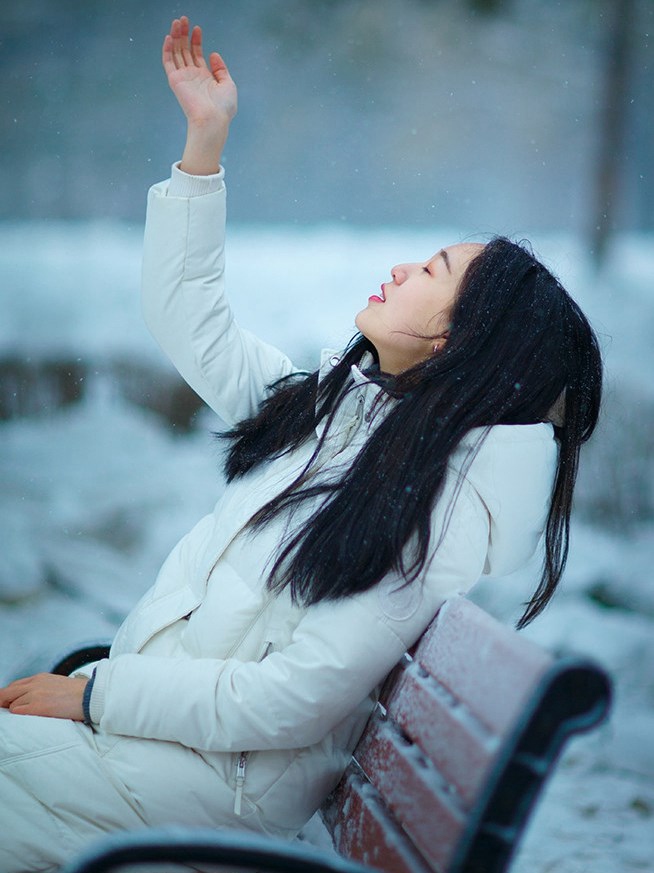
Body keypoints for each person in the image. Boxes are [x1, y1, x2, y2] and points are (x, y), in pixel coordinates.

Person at [0, 16, 602, 871]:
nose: (399, 269)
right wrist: (203, 144)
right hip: (158, 762)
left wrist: (98, 693)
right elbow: (191, 321)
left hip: (194, 795)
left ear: (453, 346)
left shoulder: (428, 512)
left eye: (429, 271)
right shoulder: (339, 422)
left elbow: (284, 704)